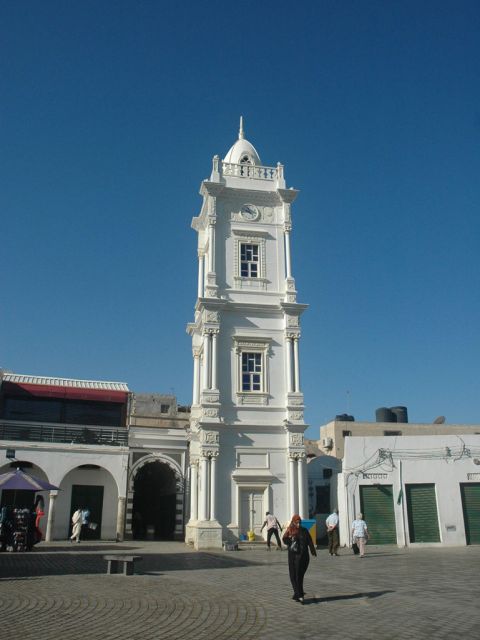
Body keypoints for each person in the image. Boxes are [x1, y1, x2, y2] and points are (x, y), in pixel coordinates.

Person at [282, 514, 317, 603]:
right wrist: (291, 541)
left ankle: (300, 595)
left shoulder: (304, 530)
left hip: (303, 558)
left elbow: (310, 541)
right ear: (293, 522)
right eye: (297, 522)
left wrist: (313, 551)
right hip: (293, 557)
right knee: (293, 576)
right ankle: (297, 594)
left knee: (298, 576)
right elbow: (284, 539)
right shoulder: (290, 530)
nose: (298, 524)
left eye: (299, 522)